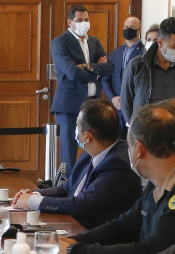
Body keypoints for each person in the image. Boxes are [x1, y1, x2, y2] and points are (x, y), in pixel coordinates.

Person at [52, 104, 175, 254]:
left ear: (139, 149)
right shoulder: (155, 185)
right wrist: (75, 241)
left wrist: (75, 253)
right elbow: (124, 226)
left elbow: (150, 253)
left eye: (129, 146)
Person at [11, 99, 141, 229]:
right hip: (73, 225)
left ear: (87, 137)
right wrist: (34, 195)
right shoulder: (91, 152)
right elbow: (66, 187)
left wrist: (33, 201)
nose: (75, 130)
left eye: (77, 126)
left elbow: (82, 205)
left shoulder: (118, 164)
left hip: (94, 234)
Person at [50, 4, 114, 172]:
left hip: (93, 104)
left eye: (86, 20)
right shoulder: (59, 42)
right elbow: (72, 72)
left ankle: (89, 182)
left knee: (94, 149)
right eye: (79, 20)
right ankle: (68, 184)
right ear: (69, 22)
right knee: (69, 153)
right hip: (69, 105)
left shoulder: (94, 42)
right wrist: (97, 71)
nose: (84, 23)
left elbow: (110, 68)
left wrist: (87, 66)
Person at [121, 17, 175, 122]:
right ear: (160, 42)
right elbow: (126, 104)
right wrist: (138, 128)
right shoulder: (137, 66)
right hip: (147, 129)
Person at [103, 16, 145, 129]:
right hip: (117, 110)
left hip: (136, 109)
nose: (128, 29)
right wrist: (112, 98)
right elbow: (105, 79)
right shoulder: (114, 53)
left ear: (139, 31)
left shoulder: (145, 53)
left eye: (132, 27)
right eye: (126, 27)